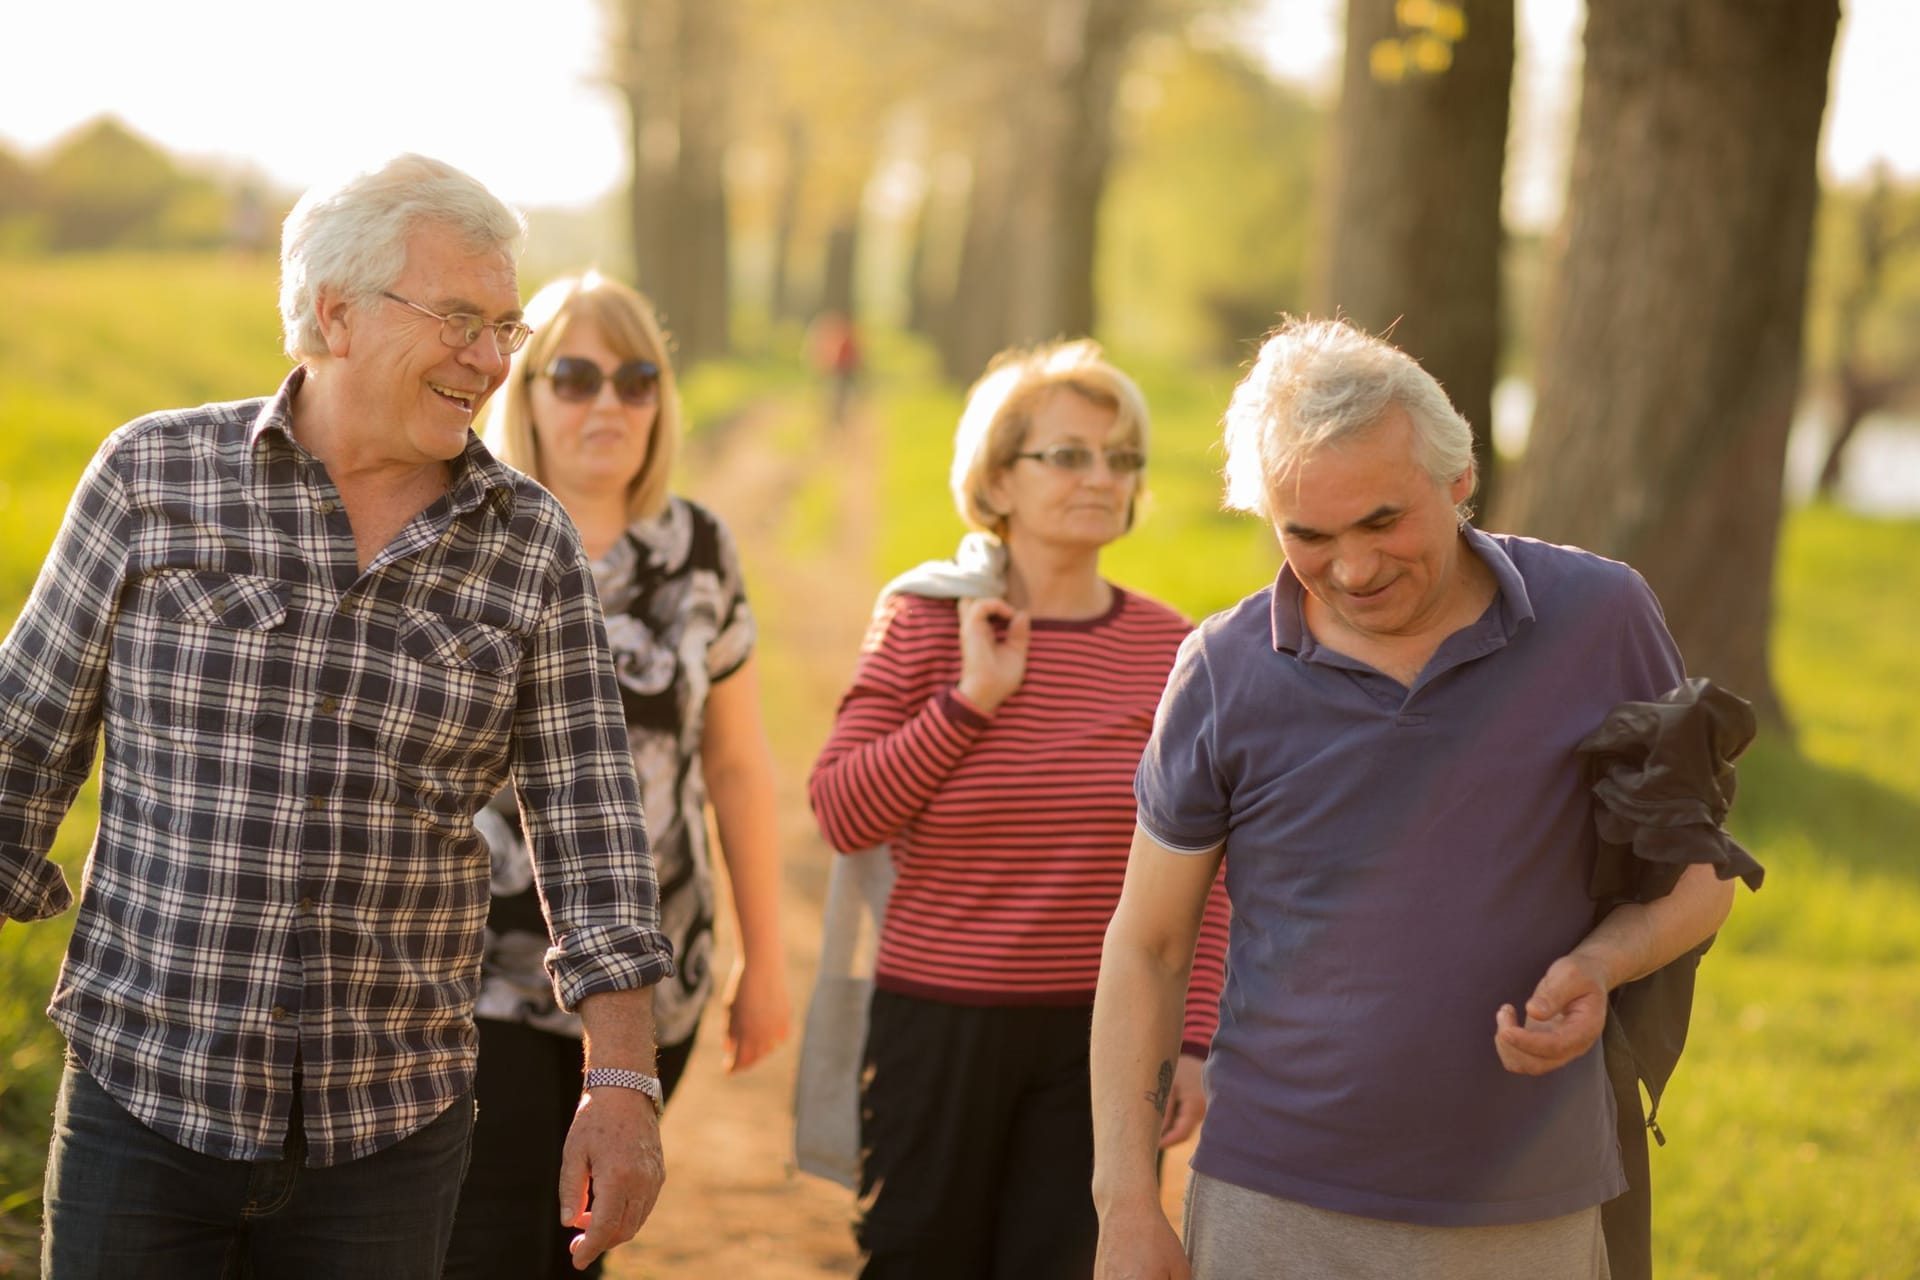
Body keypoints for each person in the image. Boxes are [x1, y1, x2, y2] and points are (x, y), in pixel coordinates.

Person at [0, 155, 673, 1278]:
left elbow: (593, 829)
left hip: (387, 1130)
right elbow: (19, 746)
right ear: (334, 312)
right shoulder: (154, 476)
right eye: (461, 318)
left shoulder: (528, 541)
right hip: (141, 1100)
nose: (494, 358)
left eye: (505, 324)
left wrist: (623, 1080)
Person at [1089, 317, 1750, 1280]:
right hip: (1274, 1208)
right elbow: (1147, 946)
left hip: (1535, 1208)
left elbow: (1702, 880)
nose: (1352, 570)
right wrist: (1125, 1205)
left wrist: (1605, 965)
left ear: (1459, 479)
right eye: (1307, 535)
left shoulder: (1602, 620)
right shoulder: (1224, 672)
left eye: (1382, 522)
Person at [808, 339, 1230, 1279]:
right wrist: (971, 698)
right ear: (996, 478)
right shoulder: (926, 619)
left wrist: (1192, 1039)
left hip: (1107, 1035)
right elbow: (842, 809)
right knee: (918, 1259)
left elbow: (1211, 873)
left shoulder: (1176, 649)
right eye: (1069, 454)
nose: (1101, 477)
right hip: (938, 1022)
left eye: (1121, 459)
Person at [445, 271, 789, 1278]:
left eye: (637, 379)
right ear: (527, 391)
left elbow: (733, 761)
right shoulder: (465, 536)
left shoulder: (701, 549)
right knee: (488, 1238)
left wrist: (761, 957)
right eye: (577, 376)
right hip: (481, 971)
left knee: (581, 1244)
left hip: (655, 971)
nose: (609, 403)